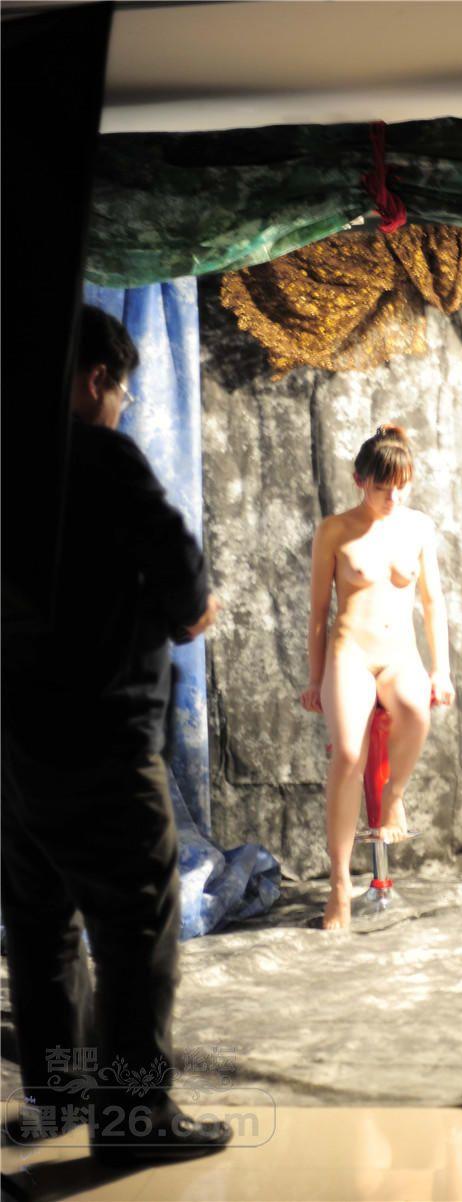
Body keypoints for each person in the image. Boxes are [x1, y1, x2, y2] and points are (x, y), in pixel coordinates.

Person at [1, 305, 230, 1164]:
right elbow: (184, 577)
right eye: (121, 392)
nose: (121, 406)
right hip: (101, 740)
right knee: (136, 925)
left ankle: (57, 1098)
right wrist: (184, 612)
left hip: (15, 747)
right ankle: (135, 1118)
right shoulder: (98, 455)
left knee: (41, 929)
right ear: (97, 377)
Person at [300, 424, 456, 930]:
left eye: (402, 487)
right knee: (349, 754)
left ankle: (393, 799)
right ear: (359, 481)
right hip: (350, 654)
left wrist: (441, 669)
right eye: (383, 487)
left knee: (416, 714)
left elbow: (432, 602)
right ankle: (339, 885)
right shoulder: (334, 530)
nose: (393, 498)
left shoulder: (418, 527)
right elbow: (318, 614)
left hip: (399, 656)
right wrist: (315, 679)